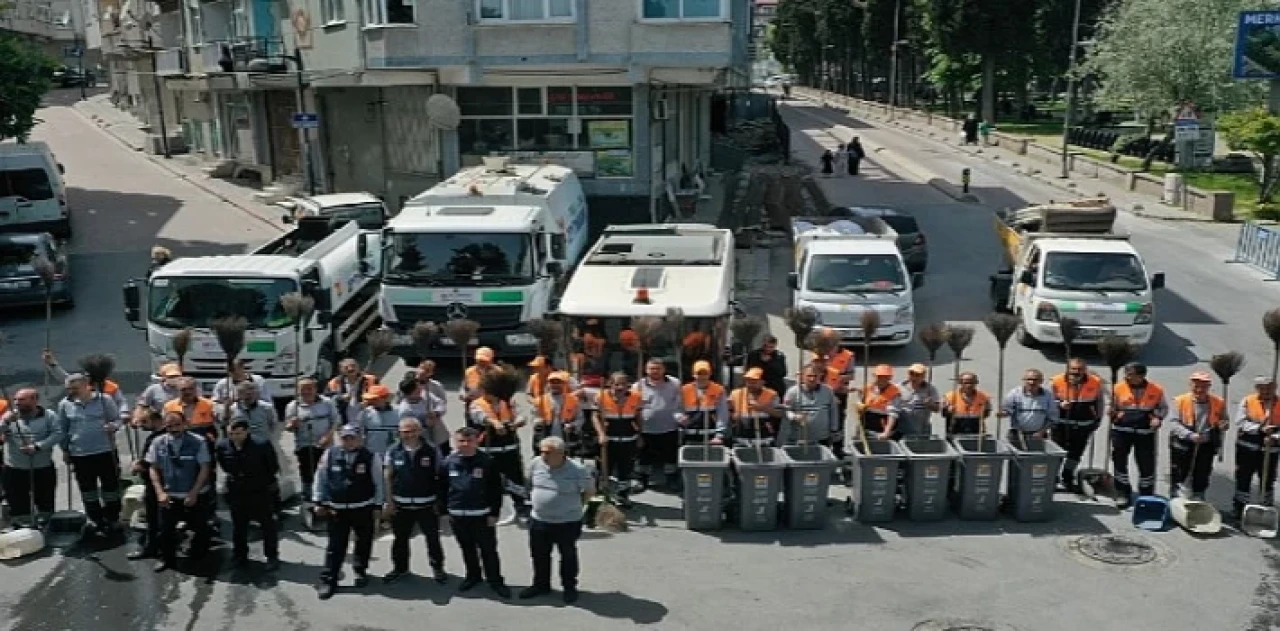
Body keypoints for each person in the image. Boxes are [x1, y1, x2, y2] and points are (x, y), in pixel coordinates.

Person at [313, 424, 384, 600]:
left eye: (352, 438)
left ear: (360, 438)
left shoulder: (371, 457)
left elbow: (378, 482)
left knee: (364, 542)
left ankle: (360, 571)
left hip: (362, 507)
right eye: (345, 438)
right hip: (337, 510)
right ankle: (329, 579)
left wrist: (378, 506)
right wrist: (318, 500)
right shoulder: (330, 454)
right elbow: (320, 478)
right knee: (335, 546)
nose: (349, 441)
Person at [521, 436, 593, 604]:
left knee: (567, 556)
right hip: (539, 520)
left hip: (567, 522)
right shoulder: (535, 464)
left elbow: (589, 491)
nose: (543, 455)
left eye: (548, 452)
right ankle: (540, 585)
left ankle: (569, 588)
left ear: (561, 453)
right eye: (542, 452)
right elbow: (529, 484)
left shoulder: (578, 470)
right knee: (539, 555)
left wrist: (575, 508)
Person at [443, 427, 509, 598]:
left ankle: (495, 580)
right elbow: (442, 488)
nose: (465, 444)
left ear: (477, 440)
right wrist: (445, 510)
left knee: (488, 550)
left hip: (481, 515)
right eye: (461, 441)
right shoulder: (448, 462)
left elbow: (495, 490)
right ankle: (473, 576)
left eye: (469, 441)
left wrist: (494, 513)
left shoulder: (487, 461)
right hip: (457, 514)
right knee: (467, 548)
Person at [146, 410, 215, 572]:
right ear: (165, 425)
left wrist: (194, 492)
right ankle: (167, 559)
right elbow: (153, 468)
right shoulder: (157, 442)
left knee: (200, 528)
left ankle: (200, 555)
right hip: (170, 495)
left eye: (177, 425)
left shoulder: (198, 442)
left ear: (185, 424)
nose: (174, 429)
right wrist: (159, 492)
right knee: (165, 530)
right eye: (170, 426)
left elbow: (205, 468)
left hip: (195, 494)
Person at [58, 372, 124, 537]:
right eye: (69, 389)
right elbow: (63, 429)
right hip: (80, 454)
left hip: (105, 451)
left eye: (75, 388)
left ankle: (113, 518)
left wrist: (113, 426)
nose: (71, 391)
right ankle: (95, 519)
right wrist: (65, 450)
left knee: (111, 487)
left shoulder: (104, 400)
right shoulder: (65, 405)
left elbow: (117, 419)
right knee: (88, 489)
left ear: (86, 385)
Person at [382, 418, 447, 585]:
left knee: (432, 539)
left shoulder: (432, 450)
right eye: (404, 431)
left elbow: (441, 476)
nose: (408, 435)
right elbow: (388, 477)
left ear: (419, 431)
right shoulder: (393, 450)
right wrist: (389, 501)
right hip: (401, 505)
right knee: (400, 539)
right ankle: (400, 569)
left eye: (411, 431)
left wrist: (439, 502)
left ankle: (438, 568)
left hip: (427, 504)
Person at [215, 418, 281, 570]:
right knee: (239, 525)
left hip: (259, 490)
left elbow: (272, 466)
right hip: (237, 491)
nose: (235, 437)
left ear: (247, 431)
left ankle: (271, 556)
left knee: (267, 524)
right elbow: (224, 465)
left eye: (238, 433)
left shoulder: (261, 444)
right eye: (231, 433)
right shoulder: (223, 446)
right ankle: (240, 555)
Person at [0, 388, 63, 527]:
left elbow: (58, 434)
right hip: (15, 468)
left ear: (34, 400)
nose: (17, 403)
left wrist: (38, 446)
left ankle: (45, 524)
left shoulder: (49, 416)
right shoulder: (9, 416)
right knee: (17, 500)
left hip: (42, 467)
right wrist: (4, 422)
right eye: (15, 400)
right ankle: (23, 526)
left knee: (45, 499)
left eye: (21, 400)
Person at [468, 378, 527, 524]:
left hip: (509, 447)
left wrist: (517, 423)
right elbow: (480, 417)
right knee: (489, 480)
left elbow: (521, 415)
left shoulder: (507, 402)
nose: (487, 393)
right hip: (488, 448)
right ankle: (490, 508)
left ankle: (521, 507)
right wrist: (494, 423)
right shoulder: (477, 404)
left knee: (515, 478)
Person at [1109, 362, 1167, 508]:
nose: (1127, 376)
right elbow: (1111, 406)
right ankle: (1123, 492)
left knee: (1146, 463)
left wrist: (1157, 418)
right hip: (1122, 431)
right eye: (1126, 373)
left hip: (1145, 433)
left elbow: (1163, 408)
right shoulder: (1118, 387)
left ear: (1141, 376)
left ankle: (1146, 493)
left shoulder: (1156, 390)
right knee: (1119, 460)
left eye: (1130, 374)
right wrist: (1113, 413)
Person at [1167, 371, 1227, 501]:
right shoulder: (1180, 400)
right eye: (1196, 386)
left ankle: (1198, 497)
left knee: (1202, 472)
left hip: (1207, 444)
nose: (1199, 389)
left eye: (1204, 386)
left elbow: (1223, 420)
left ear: (1209, 386)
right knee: (1180, 472)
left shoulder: (1218, 402)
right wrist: (1189, 435)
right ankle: (1177, 498)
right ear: (1190, 385)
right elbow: (1173, 423)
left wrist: (1223, 425)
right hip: (1183, 444)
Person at [1050, 358, 1106, 492]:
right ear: (1068, 369)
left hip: (1083, 424)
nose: (1076, 372)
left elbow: (1099, 403)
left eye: (1080, 369)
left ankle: (1067, 476)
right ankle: (1052, 477)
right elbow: (1048, 401)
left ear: (1085, 370)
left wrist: (1097, 419)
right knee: (1057, 452)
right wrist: (1059, 404)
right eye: (1073, 369)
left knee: (1075, 453)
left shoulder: (1095, 382)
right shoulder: (1056, 381)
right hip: (1061, 423)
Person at [1234, 376, 1280, 519]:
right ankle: (1239, 509)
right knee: (1243, 477)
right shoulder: (1248, 401)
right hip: (1247, 448)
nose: (1266, 391)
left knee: (1267, 479)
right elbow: (1240, 422)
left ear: (1275, 388)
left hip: (1270, 449)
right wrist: (1260, 428)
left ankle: (1265, 509)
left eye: (1269, 387)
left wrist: (1275, 437)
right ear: (1257, 388)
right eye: (1262, 388)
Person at [285, 377, 337, 503]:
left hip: (324, 445)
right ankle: (308, 500)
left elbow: (335, 422)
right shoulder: (293, 406)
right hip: (304, 445)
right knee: (307, 474)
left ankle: (326, 498)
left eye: (309, 388)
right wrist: (292, 424)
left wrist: (328, 436)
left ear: (315, 389)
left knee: (326, 471)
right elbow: (288, 427)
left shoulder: (327, 402)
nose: (306, 392)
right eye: (303, 389)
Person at [634, 358, 682, 490]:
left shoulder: (675, 383)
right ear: (646, 370)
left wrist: (679, 417)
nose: (655, 371)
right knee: (644, 456)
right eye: (651, 368)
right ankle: (642, 480)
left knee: (670, 456)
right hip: (645, 429)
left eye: (658, 368)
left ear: (664, 369)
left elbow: (679, 404)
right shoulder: (638, 385)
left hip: (669, 427)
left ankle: (671, 479)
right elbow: (633, 407)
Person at [594, 372, 641, 507]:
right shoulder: (601, 397)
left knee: (625, 470)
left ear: (628, 385)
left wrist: (640, 435)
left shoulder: (636, 397)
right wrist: (601, 434)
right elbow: (595, 417)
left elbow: (638, 418)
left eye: (623, 384)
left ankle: (623, 495)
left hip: (628, 439)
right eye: (616, 384)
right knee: (604, 470)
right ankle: (603, 496)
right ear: (610, 384)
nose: (620, 387)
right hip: (608, 441)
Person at [127, 410, 166, 560]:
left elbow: (154, 460)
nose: (142, 426)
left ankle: (158, 548)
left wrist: (140, 465)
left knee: (158, 518)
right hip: (151, 482)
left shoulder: (160, 437)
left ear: (156, 420)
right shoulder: (156, 436)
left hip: (159, 482)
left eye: (145, 422)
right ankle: (153, 547)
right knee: (152, 517)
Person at [782, 363, 840, 446]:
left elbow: (833, 411)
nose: (812, 379)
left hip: (822, 438)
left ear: (820, 376)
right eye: (809, 376)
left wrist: (834, 429)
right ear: (803, 376)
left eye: (815, 376)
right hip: (799, 438)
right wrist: (794, 416)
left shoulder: (828, 391)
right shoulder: (793, 392)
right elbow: (785, 411)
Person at [999, 369, 1059, 446]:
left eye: (1035, 380)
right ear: (1024, 380)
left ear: (1041, 381)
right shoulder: (1014, 393)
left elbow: (1052, 418)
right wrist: (1002, 413)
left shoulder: (1048, 396)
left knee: (1036, 457)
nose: (1032, 382)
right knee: (1015, 457)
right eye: (1029, 379)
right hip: (1017, 434)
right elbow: (1007, 410)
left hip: (1039, 435)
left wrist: (1042, 432)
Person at [726, 367, 783, 448]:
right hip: (741, 435)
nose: (750, 384)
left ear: (763, 382)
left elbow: (780, 414)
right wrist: (732, 416)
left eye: (754, 382)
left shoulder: (772, 394)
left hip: (764, 436)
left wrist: (762, 408)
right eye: (748, 381)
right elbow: (727, 410)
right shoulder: (736, 393)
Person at [532, 371, 584, 458]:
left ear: (564, 384)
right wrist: (538, 421)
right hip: (546, 440)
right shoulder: (539, 400)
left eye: (558, 382)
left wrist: (572, 425)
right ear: (548, 384)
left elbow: (580, 419)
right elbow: (534, 418)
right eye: (552, 382)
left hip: (567, 440)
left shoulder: (573, 400)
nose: (555, 385)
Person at [679, 360, 729, 446]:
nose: (702, 376)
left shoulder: (719, 390)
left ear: (710, 374)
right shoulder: (684, 390)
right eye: (699, 373)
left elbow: (722, 413)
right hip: (689, 435)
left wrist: (719, 435)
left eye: (705, 373)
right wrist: (680, 419)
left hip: (712, 436)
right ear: (693, 375)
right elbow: (677, 410)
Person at [855, 365, 903, 440]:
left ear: (889, 377)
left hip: (882, 428)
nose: (881, 379)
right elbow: (860, 398)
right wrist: (859, 405)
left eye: (884, 376)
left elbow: (893, 415)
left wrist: (886, 433)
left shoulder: (894, 393)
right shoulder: (869, 387)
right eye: (879, 376)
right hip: (866, 425)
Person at [326, 359, 378, 425]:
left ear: (358, 367)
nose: (350, 369)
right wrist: (341, 397)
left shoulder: (371, 379)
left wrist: (369, 402)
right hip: (344, 421)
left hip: (368, 419)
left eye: (353, 366)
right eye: (346, 367)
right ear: (341, 370)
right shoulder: (334, 382)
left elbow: (382, 396)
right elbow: (327, 399)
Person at [942, 372, 991, 437]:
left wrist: (984, 411)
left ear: (976, 382)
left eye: (971, 383)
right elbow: (943, 414)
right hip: (955, 429)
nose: (969, 385)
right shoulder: (950, 396)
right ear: (960, 383)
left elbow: (986, 414)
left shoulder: (983, 397)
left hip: (976, 429)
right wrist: (948, 411)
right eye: (966, 383)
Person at [898, 364, 940, 437]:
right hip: (902, 428)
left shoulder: (930, 389)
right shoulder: (899, 387)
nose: (914, 377)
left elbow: (937, 409)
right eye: (911, 374)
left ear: (923, 376)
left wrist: (931, 404)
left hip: (921, 429)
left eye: (917, 375)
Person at [358, 384, 398, 459]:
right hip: (372, 455)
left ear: (385, 398)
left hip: (393, 455)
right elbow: (359, 434)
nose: (371, 401)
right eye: (370, 399)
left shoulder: (397, 412)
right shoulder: (365, 413)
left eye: (374, 399)